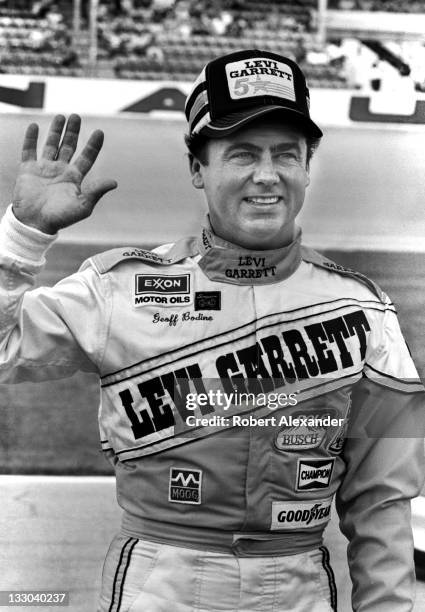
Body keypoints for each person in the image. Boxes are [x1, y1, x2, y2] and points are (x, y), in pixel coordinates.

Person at [0, 49, 424, 612]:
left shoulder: (364, 310)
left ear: (306, 166)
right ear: (198, 169)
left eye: (286, 155)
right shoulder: (119, 288)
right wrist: (23, 236)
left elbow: (383, 502)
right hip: (159, 587)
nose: (266, 175)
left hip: (298, 589)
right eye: (242, 153)